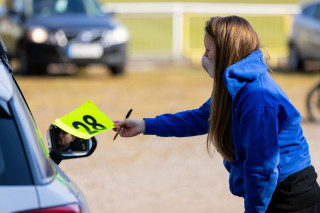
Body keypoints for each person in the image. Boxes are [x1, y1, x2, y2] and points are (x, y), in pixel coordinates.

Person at [113, 16, 320, 213]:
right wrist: (144, 125)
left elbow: (262, 168)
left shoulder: (258, 98)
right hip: (273, 191)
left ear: (226, 52)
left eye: (208, 50)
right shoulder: (236, 83)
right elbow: (201, 118)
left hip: (291, 196)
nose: (204, 57)